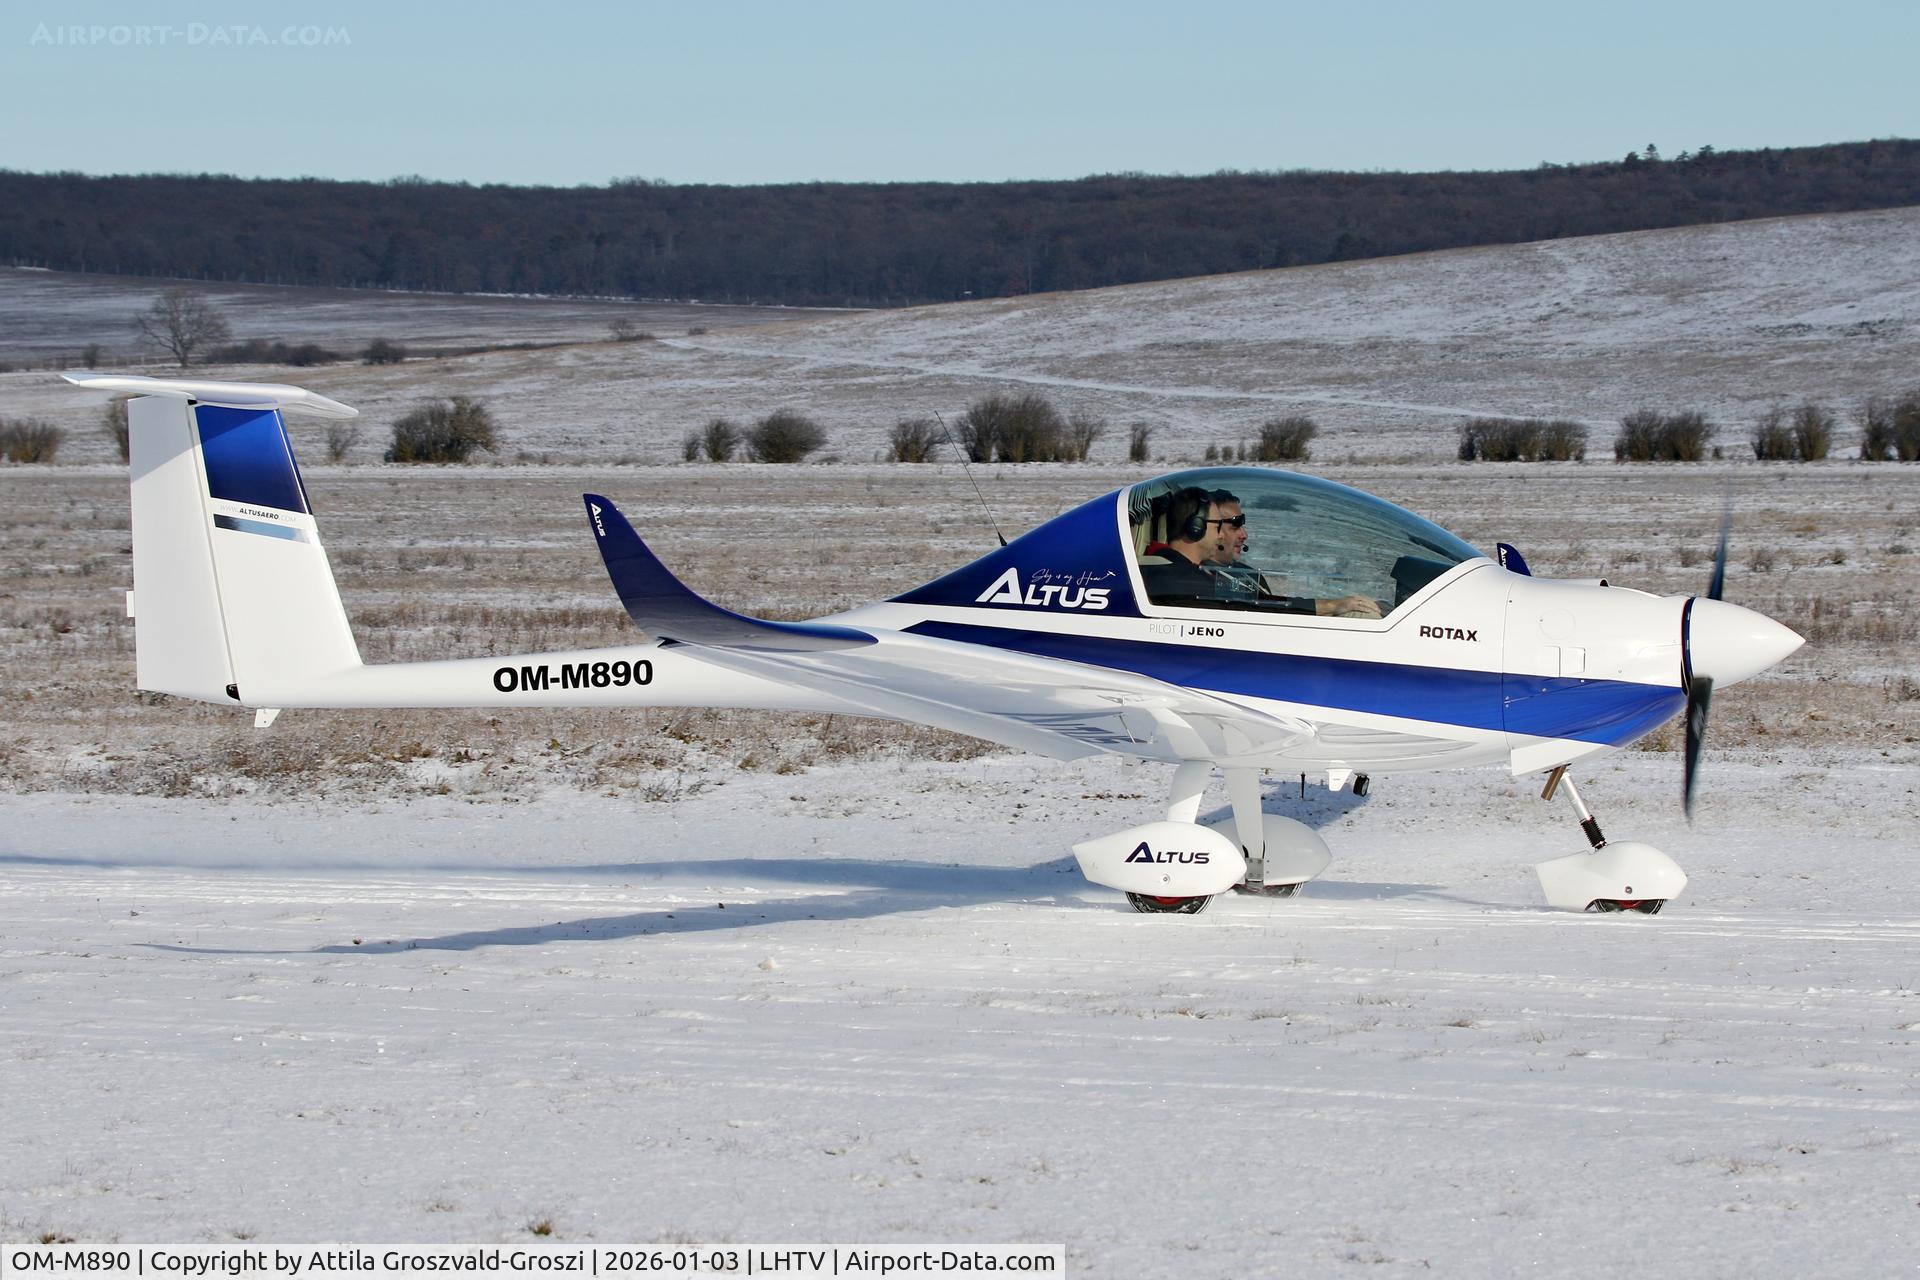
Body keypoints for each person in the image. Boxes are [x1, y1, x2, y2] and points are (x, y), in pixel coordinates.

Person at [1202, 488, 1383, 619]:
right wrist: (1332, 606)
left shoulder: (1243, 573)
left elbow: (1277, 606)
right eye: (1235, 525)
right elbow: (1268, 610)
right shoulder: (1205, 581)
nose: (1244, 535)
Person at [1139, 487, 1230, 602]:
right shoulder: (1182, 582)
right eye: (1218, 527)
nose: (1221, 535)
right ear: (1196, 527)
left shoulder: (1188, 570)